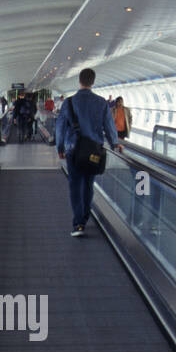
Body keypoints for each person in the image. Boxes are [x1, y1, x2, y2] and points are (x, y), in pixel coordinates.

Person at [56, 68, 120, 237]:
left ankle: (78, 223)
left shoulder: (68, 103)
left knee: (75, 185)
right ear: (93, 82)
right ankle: (85, 215)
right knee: (88, 184)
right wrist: (115, 144)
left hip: (73, 150)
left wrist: (60, 147)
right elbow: (109, 126)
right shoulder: (101, 103)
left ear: (80, 81)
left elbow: (60, 126)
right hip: (93, 152)